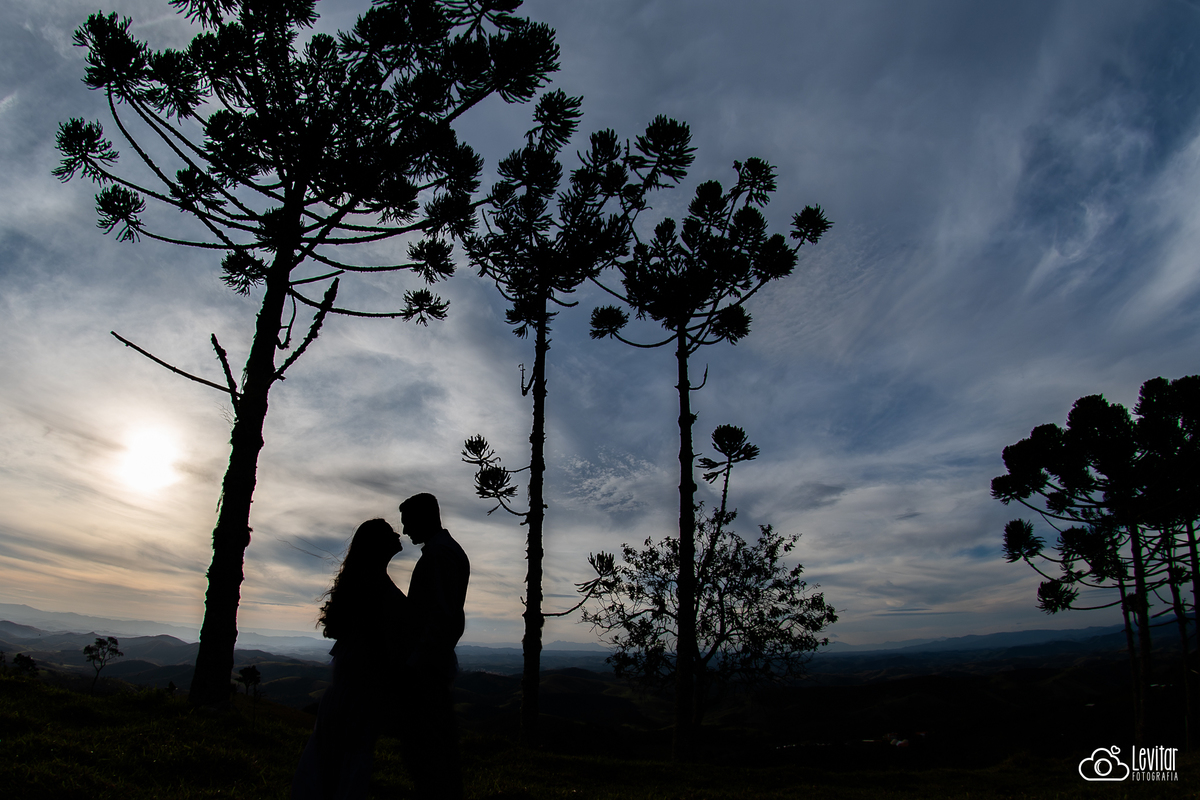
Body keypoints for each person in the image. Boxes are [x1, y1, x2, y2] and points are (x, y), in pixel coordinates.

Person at [292, 519, 406, 800]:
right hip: (360, 681)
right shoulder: (373, 587)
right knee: (348, 755)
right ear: (377, 545)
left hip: (353, 678)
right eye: (389, 533)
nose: (398, 534)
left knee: (337, 753)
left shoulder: (366, 582)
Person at [399, 492, 470, 800]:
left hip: (428, 665)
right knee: (436, 746)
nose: (404, 531)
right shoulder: (443, 551)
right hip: (432, 662)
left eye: (408, 522)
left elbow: (443, 615)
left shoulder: (440, 554)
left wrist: (415, 662)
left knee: (429, 750)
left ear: (425, 518)